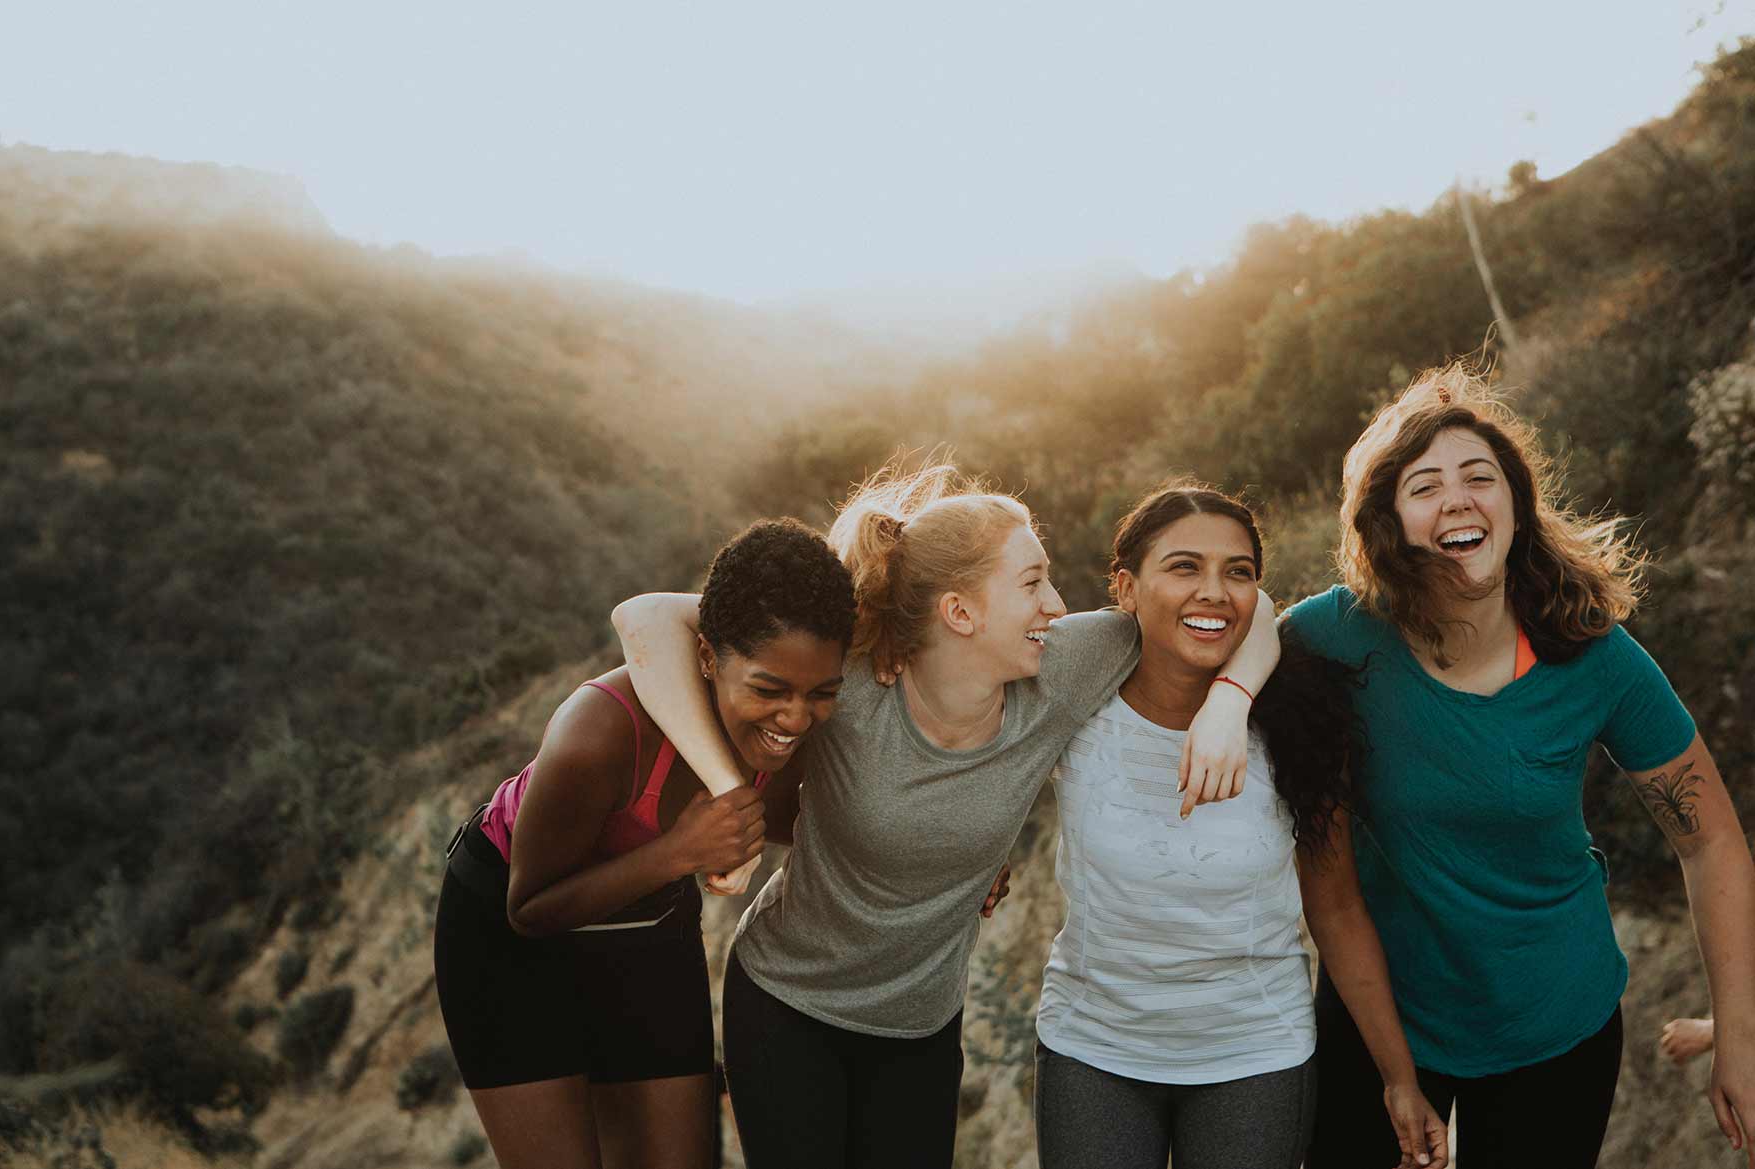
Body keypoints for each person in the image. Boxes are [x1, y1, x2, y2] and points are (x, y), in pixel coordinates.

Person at [612, 462, 1279, 1169]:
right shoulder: (857, 679)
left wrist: (1231, 699)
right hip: (787, 1005)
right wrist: (728, 790)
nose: (1056, 602)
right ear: (960, 612)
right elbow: (646, 617)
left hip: (921, 1029)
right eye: (1031, 583)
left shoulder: (1063, 668)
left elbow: (1248, 606)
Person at [1290, 366, 1755, 1168]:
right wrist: (1228, 702)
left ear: (1515, 504)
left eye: (1481, 477)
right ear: (1390, 521)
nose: (1459, 499)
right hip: (1381, 1018)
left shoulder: (1592, 653)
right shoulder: (1337, 636)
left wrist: (1740, 1041)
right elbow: (1224, 634)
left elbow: (1711, 841)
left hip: (1554, 1021)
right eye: (1425, 486)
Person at [1034, 483, 1448, 1169]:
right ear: (1126, 587)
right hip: (1093, 1047)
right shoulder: (1076, 696)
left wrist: (1399, 1079)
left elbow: (1337, 908)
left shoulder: (1299, 723)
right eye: (1184, 566)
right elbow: (978, 753)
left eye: (1238, 571)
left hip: (1255, 1054)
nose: (1214, 592)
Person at [432, 519, 857, 1169]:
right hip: (507, 940)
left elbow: (832, 822)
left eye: (819, 694)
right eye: (769, 689)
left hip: (647, 928)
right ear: (709, 657)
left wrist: (965, 860)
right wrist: (680, 853)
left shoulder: (789, 736)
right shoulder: (599, 731)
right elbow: (530, 908)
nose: (795, 719)